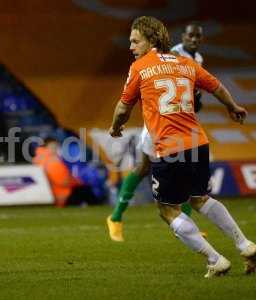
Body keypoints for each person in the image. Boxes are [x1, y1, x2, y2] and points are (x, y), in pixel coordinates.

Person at [108, 16, 255, 277]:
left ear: (151, 39)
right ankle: (245, 245)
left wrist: (116, 127)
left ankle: (215, 260)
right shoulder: (186, 63)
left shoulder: (140, 67)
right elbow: (216, 86)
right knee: (200, 199)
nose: (130, 46)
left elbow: (123, 107)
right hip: (198, 143)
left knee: (167, 210)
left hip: (169, 147)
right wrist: (232, 107)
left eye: (135, 41)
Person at [107, 22, 205, 241]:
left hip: (180, 124)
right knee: (143, 167)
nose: (194, 40)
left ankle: (187, 227)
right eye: (191, 36)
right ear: (183, 36)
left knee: (180, 170)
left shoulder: (197, 60)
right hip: (159, 123)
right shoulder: (172, 54)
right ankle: (115, 217)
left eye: (198, 37)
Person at [33, 137, 95, 207]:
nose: (55, 149)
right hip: (61, 196)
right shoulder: (53, 160)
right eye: (53, 147)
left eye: (56, 147)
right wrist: (77, 181)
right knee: (85, 189)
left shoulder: (37, 159)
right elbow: (64, 181)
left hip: (48, 195)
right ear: (46, 147)